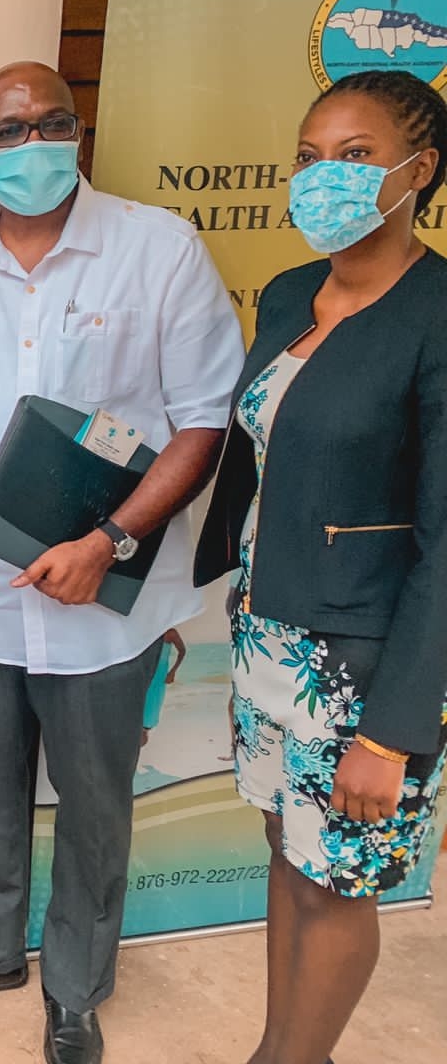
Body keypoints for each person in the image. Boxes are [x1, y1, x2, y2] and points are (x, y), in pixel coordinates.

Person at [0, 61, 245, 1064]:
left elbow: (202, 419)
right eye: (6, 132)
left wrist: (111, 541)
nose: (29, 145)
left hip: (104, 601)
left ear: (77, 133)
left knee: (90, 808)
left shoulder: (158, 252)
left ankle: (77, 988)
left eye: (49, 124)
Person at [194, 69, 447, 1064]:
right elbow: (261, 456)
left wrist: (391, 733)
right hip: (269, 635)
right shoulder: (296, 292)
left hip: (361, 667)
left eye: (352, 158)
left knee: (335, 881)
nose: (321, 179)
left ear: (417, 171)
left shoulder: (436, 314)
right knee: (286, 854)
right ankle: (283, 1050)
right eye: (308, 158)